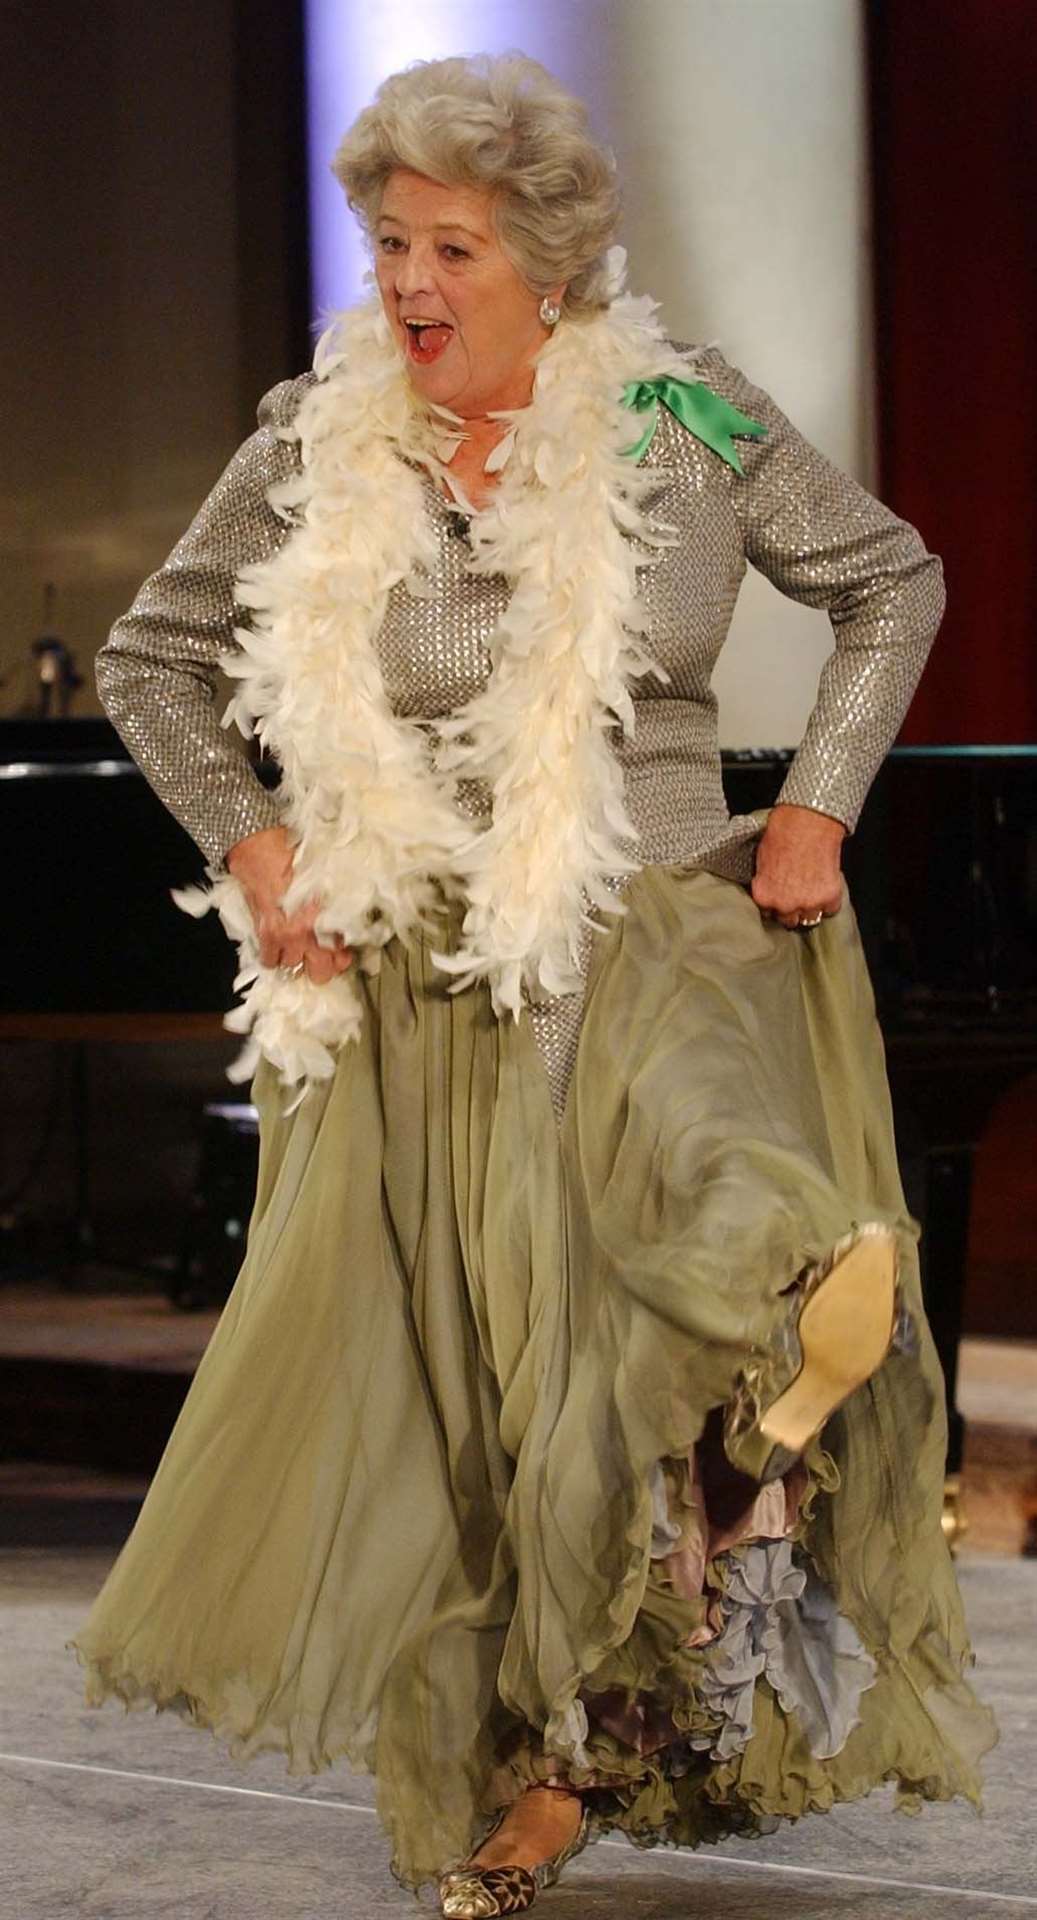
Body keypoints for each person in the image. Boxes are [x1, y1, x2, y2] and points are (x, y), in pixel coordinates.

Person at [68, 52, 996, 1915]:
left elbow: (889, 581)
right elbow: (149, 661)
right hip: (416, 978)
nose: (408, 281)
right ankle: (557, 1762)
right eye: (390, 241)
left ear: (550, 265)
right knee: (493, 1389)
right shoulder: (314, 441)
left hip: (649, 919)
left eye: (452, 247)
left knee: (710, 1257)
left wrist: (813, 807)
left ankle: (795, 1352)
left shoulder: (681, 414)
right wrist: (256, 846)